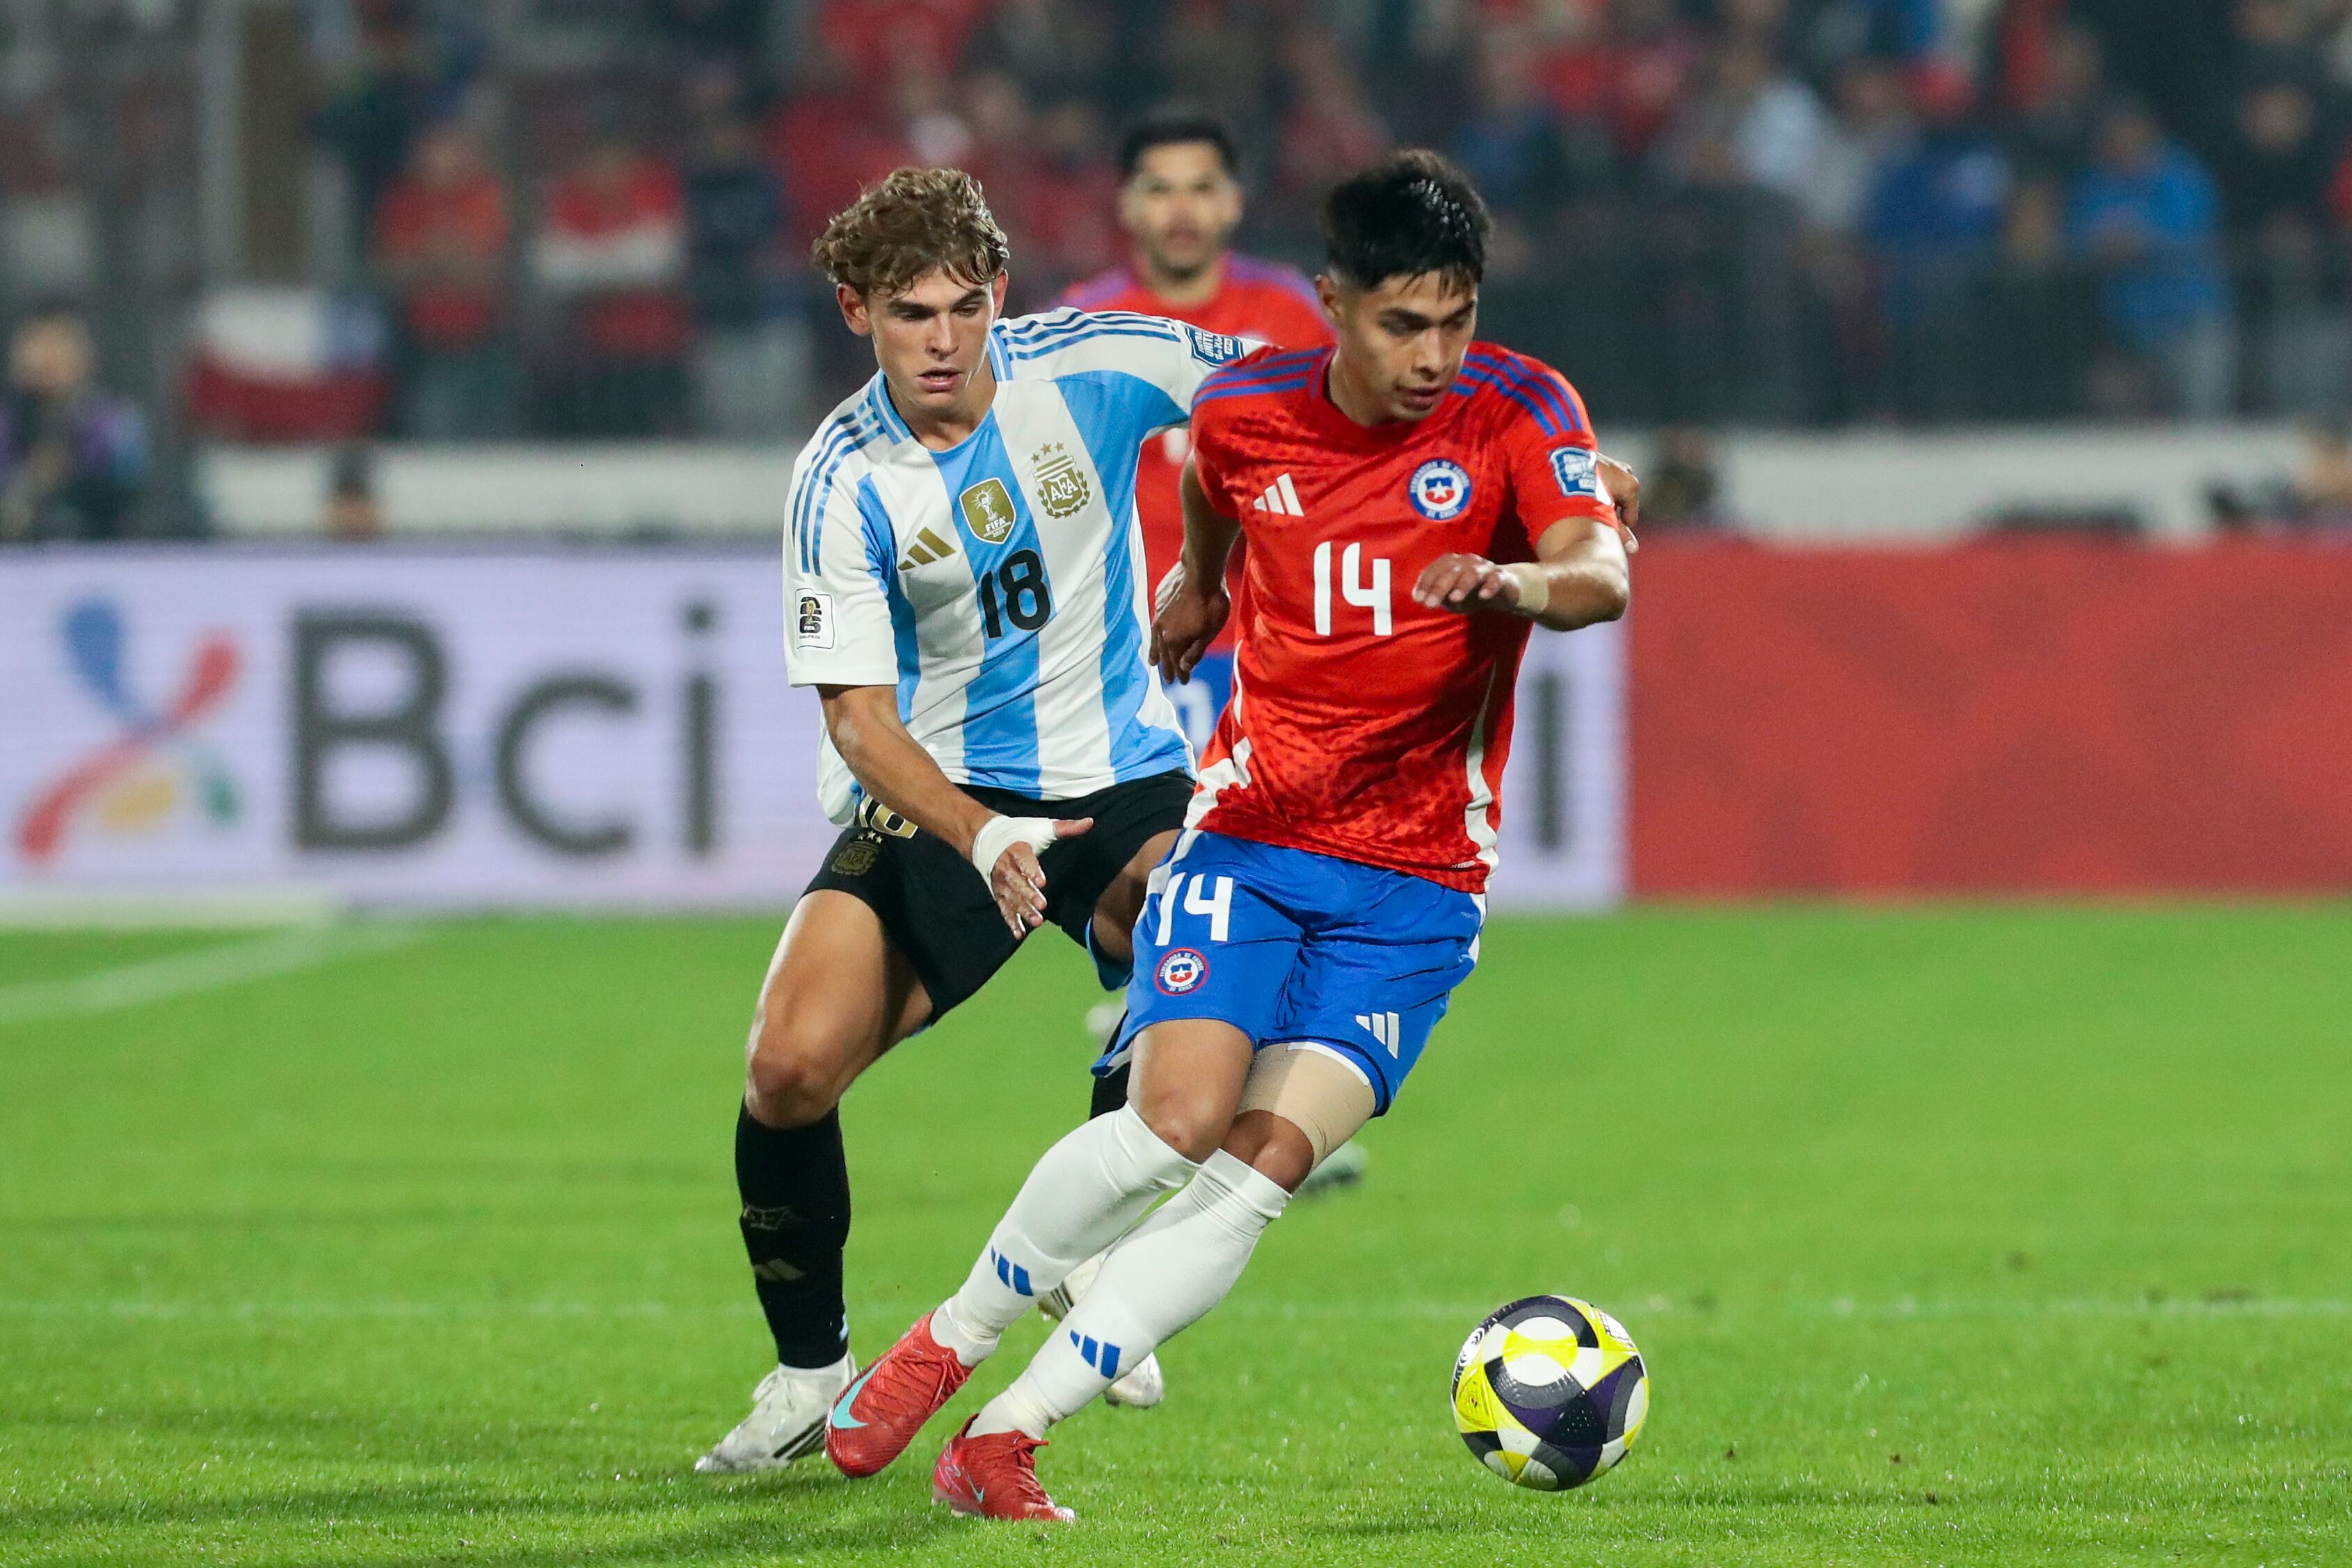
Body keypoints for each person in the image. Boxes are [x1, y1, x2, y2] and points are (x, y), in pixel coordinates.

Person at [823, 150, 1635, 1522]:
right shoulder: (1252, 411)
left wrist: (1523, 576)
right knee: (1172, 1125)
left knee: (1256, 1175)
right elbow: (1207, 471)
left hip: (1420, 885)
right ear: (1331, 302)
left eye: (1454, 318)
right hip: (1254, 832)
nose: (1432, 353)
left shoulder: (1517, 408)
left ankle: (1003, 1436)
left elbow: (1600, 567)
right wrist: (1200, 581)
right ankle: (937, 1347)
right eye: (1398, 323)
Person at [694, 166, 1252, 1473]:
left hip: (1117, 765)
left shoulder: (1097, 362)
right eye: (907, 315)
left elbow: (1287, 400)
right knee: (785, 1068)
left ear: (999, 294)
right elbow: (857, 721)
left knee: (1167, 894)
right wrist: (973, 830)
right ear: (854, 312)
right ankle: (807, 1370)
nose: (941, 341)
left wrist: (1540, 469)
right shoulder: (839, 480)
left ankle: (1086, 1236)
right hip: (944, 787)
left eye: (962, 308)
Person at [1059, 110, 1331, 761]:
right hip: (1121, 653)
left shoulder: (1293, 318)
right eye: (1158, 189)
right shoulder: (1081, 329)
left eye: (1201, 188)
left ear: (1234, 201)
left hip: (1263, 648)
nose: (1180, 210)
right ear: (1125, 204)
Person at [0, 304, 147, 543]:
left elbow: (127, 489)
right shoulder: (8, 423)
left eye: (59, 342)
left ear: (84, 355)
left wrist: (66, 472)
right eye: (36, 342)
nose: (47, 356)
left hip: (97, 545)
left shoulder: (113, 420)